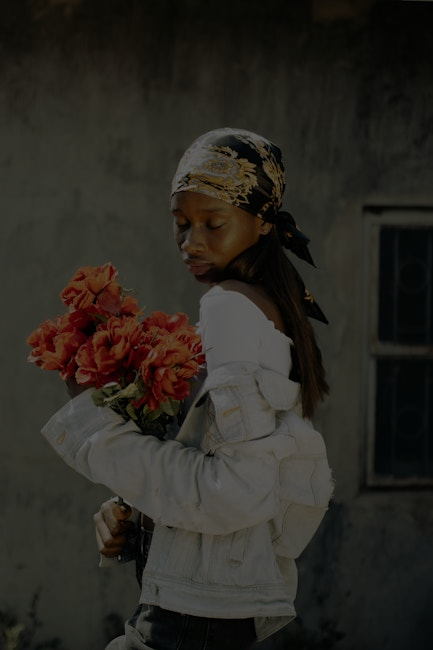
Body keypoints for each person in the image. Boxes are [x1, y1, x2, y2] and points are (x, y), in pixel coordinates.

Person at [42, 128, 334, 650]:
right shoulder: (267, 304)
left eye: (212, 224)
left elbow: (236, 491)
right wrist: (134, 506)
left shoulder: (228, 306)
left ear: (264, 222)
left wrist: (94, 425)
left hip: (190, 621)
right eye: (180, 223)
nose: (191, 242)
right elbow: (221, 462)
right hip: (208, 609)